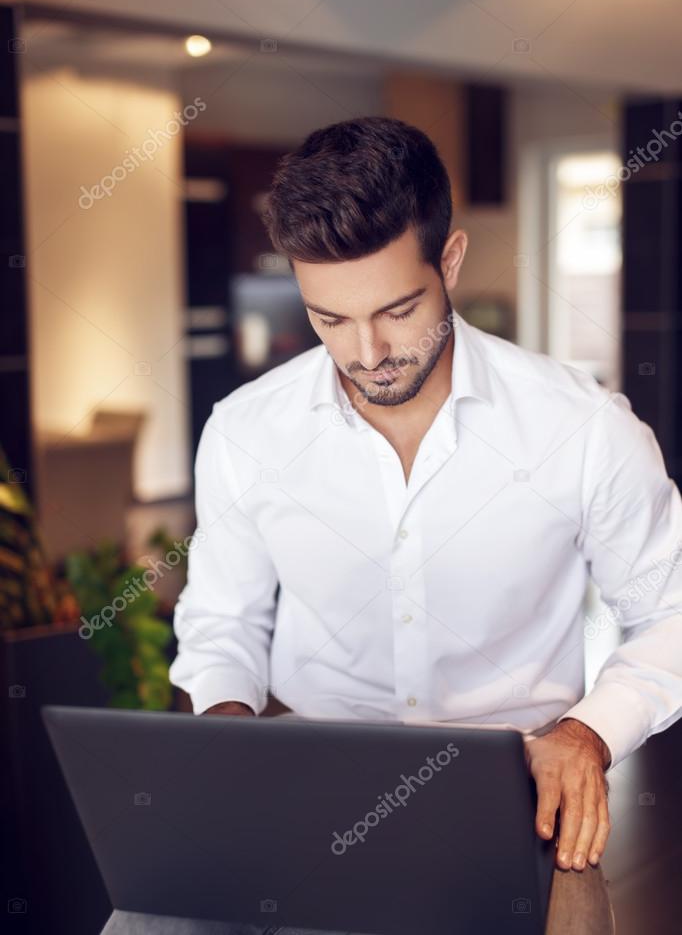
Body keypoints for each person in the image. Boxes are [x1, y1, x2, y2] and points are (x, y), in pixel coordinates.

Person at [115, 116, 682, 935]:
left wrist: (588, 732)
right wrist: (228, 739)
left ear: (448, 260)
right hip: (301, 799)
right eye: (329, 320)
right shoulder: (246, 431)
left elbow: (671, 612)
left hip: (519, 810)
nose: (367, 350)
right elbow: (222, 625)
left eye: (397, 309)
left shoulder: (584, 429)